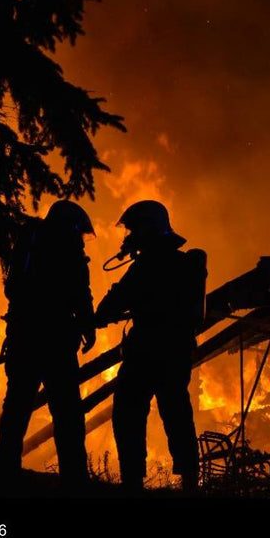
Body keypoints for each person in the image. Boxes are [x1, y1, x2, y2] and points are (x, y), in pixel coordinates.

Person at [95, 200, 206, 490]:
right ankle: (190, 481)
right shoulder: (182, 263)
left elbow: (116, 300)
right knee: (177, 414)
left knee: (128, 414)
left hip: (147, 352)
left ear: (149, 229)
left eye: (134, 229)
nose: (129, 236)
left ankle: (133, 479)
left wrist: (99, 316)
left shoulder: (149, 264)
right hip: (176, 352)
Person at [0, 200, 96, 485]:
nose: (80, 239)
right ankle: (74, 477)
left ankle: (4, 468)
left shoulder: (30, 244)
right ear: (71, 227)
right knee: (67, 413)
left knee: (16, 405)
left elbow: (12, 289)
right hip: (57, 343)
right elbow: (81, 294)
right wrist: (88, 327)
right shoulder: (70, 253)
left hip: (24, 336)